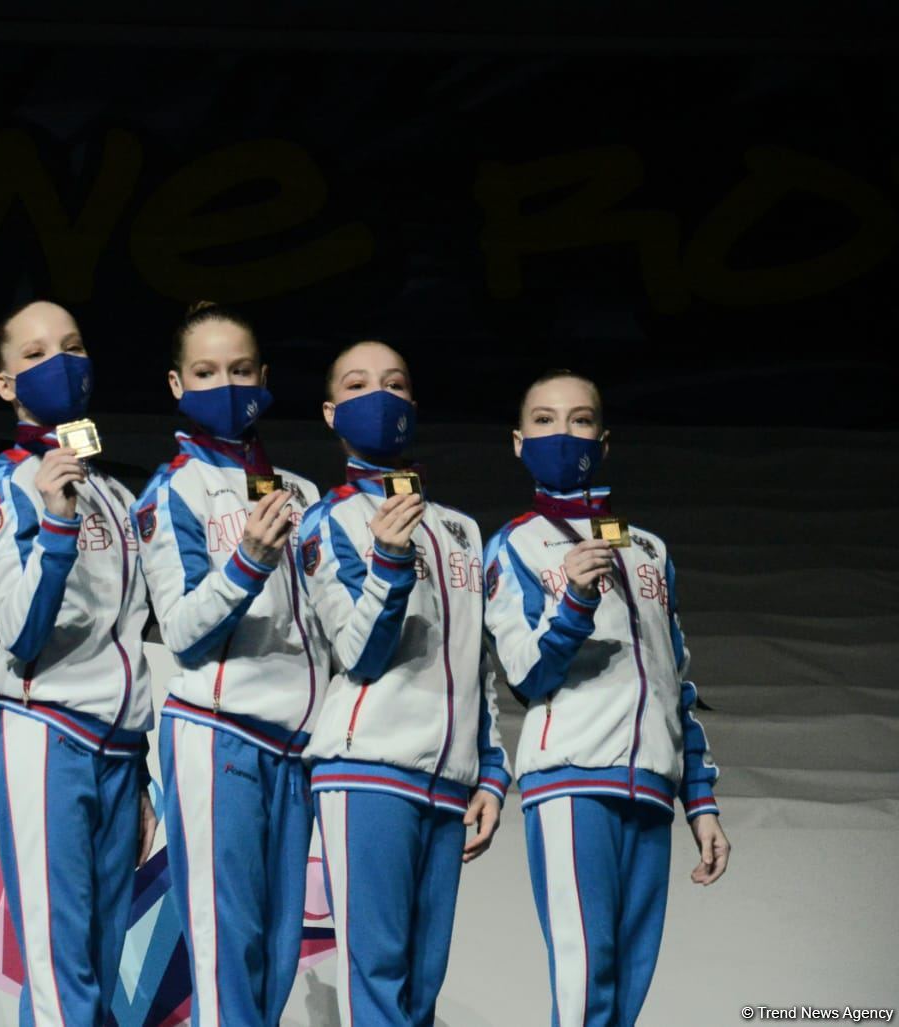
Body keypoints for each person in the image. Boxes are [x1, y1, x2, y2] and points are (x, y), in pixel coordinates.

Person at [482, 369, 730, 1027]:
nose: (563, 433)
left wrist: (699, 801)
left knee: (626, 990)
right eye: (543, 420)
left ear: (605, 438)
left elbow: (677, 681)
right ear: (517, 440)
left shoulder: (649, 548)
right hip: (570, 779)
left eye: (580, 419)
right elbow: (526, 673)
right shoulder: (514, 545)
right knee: (586, 979)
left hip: (651, 786)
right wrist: (574, 600)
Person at [297, 339, 511, 1027]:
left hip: (447, 779)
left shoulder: (458, 530)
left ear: (413, 404)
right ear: (331, 413)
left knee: (420, 991)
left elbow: (475, 660)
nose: (380, 395)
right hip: (367, 768)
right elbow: (358, 653)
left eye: (395, 382)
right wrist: (388, 561)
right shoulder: (329, 521)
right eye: (358, 385)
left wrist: (492, 772)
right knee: (379, 982)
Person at [131, 302, 327, 1027]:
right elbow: (182, 633)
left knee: (279, 953)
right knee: (225, 951)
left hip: (296, 746)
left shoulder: (301, 492)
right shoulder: (169, 492)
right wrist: (248, 560)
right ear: (178, 384)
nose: (228, 385)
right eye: (208, 372)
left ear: (265, 378)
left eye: (241, 370)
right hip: (219, 738)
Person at [0, 299, 156, 1025]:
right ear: (5, 384)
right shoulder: (7, 486)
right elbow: (20, 631)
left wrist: (136, 769)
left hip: (115, 752)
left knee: (97, 974)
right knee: (60, 975)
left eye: (73, 346)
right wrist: (55, 522)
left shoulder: (114, 492)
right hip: (43, 734)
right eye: (37, 354)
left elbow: (128, 637)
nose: (63, 364)